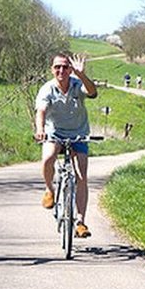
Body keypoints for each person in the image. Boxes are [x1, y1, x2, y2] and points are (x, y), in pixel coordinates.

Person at [34, 53, 98, 238]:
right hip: (54, 132)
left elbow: (92, 92)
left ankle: (80, 222)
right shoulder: (47, 89)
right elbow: (41, 111)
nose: (61, 70)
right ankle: (49, 190)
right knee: (48, 157)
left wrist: (82, 75)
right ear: (52, 69)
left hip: (78, 133)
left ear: (70, 69)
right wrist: (40, 130)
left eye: (65, 67)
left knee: (81, 175)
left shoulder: (78, 84)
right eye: (57, 67)